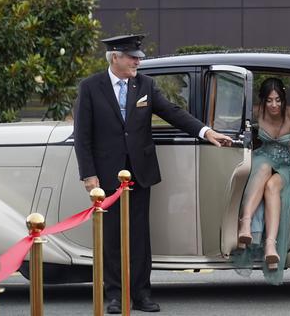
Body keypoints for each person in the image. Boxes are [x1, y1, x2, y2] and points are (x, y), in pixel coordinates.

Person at [74, 34, 232, 314]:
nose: (138, 61)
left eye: (138, 56)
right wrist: (89, 175)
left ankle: (141, 293)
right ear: (115, 57)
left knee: (138, 235)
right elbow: (82, 136)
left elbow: (173, 112)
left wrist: (206, 132)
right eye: (132, 56)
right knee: (112, 236)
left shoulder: (145, 84)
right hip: (106, 174)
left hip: (139, 172)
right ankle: (115, 296)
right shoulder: (90, 87)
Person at [234, 77, 290, 285]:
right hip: (262, 158)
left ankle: (270, 246)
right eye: (269, 100)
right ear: (263, 101)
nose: (274, 105)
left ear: (283, 99)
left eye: (278, 100)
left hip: (287, 164)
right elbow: (225, 115)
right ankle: (245, 226)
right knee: (264, 168)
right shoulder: (257, 112)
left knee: (273, 186)